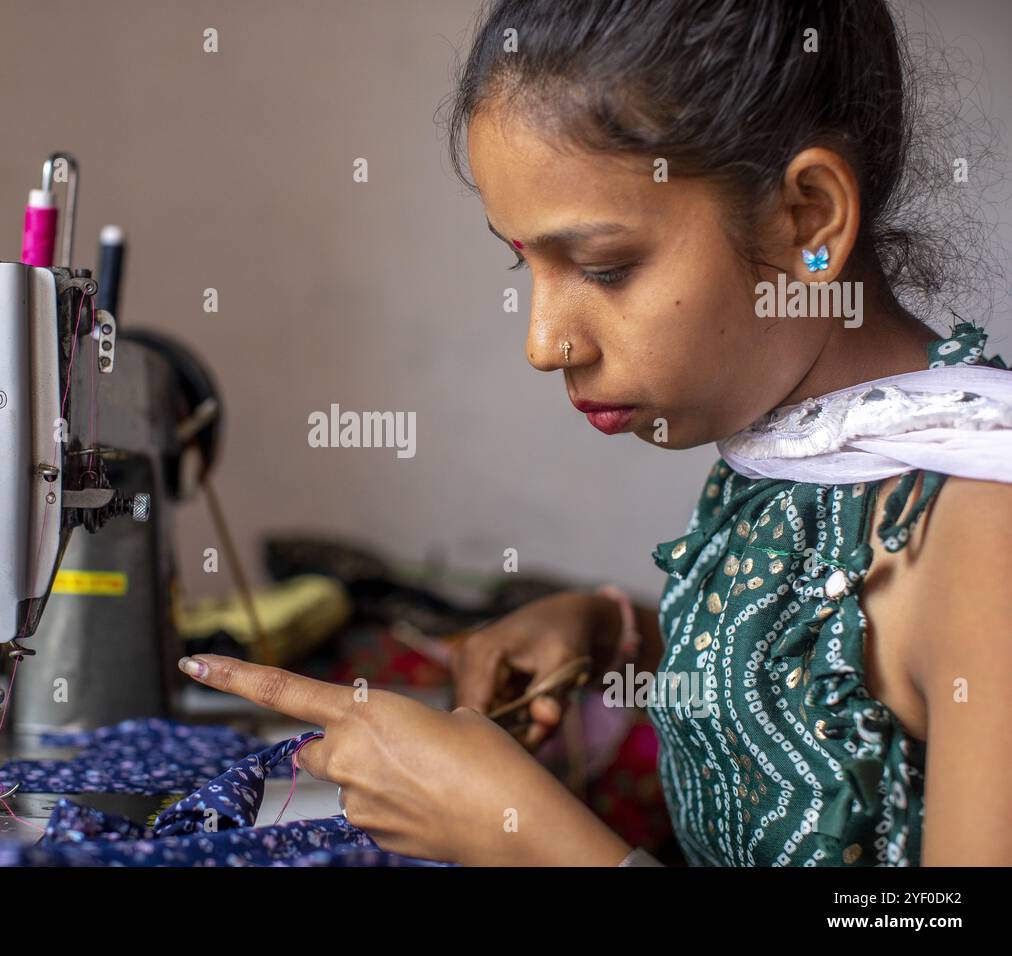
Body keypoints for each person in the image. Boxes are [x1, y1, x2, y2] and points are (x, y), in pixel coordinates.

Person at [179, 0, 1012, 866]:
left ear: (806, 219)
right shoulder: (805, 450)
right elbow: (838, 686)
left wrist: (528, 838)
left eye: (605, 268)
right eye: (524, 263)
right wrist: (618, 635)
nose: (544, 344)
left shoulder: (985, 536)